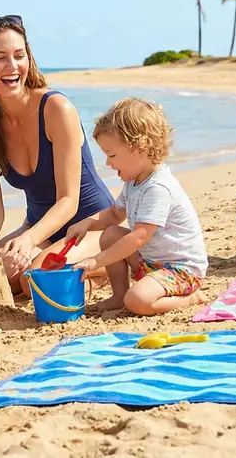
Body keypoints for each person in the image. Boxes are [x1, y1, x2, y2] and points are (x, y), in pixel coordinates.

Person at [0, 15, 114, 284]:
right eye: (0, 57)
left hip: (91, 226)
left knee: (36, 280)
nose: (12, 66)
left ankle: (111, 265)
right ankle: (75, 272)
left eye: (19, 55)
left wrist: (27, 240)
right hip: (42, 231)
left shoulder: (56, 109)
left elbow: (68, 201)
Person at [66, 98, 209, 315]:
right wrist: (86, 224)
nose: (108, 163)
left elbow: (138, 237)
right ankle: (118, 296)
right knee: (111, 234)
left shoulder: (158, 188)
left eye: (112, 155)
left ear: (138, 148)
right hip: (152, 262)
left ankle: (191, 299)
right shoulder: (134, 182)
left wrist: (96, 261)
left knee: (137, 301)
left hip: (180, 270)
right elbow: (115, 214)